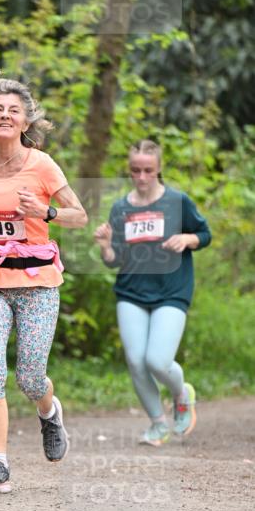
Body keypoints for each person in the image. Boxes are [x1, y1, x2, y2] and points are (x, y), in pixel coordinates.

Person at [0, 76, 88, 495]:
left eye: (14, 110)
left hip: (37, 284)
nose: (5, 115)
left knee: (29, 378)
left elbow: (78, 215)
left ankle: (49, 413)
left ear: (26, 120)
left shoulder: (42, 165)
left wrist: (46, 212)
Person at [94, 139, 211, 446]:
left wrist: (186, 239)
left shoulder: (177, 201)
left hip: (172, 289)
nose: (142, 177)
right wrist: (106, 246)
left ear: (159, 169)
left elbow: (205, 234)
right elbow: (115, 259)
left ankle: (181, 394)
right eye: (135, 170)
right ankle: (158, 424)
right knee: (135, 360)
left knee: (157, 361)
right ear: (129, 170)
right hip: (131, 291)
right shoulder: (121, 207)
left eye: (148, 170)